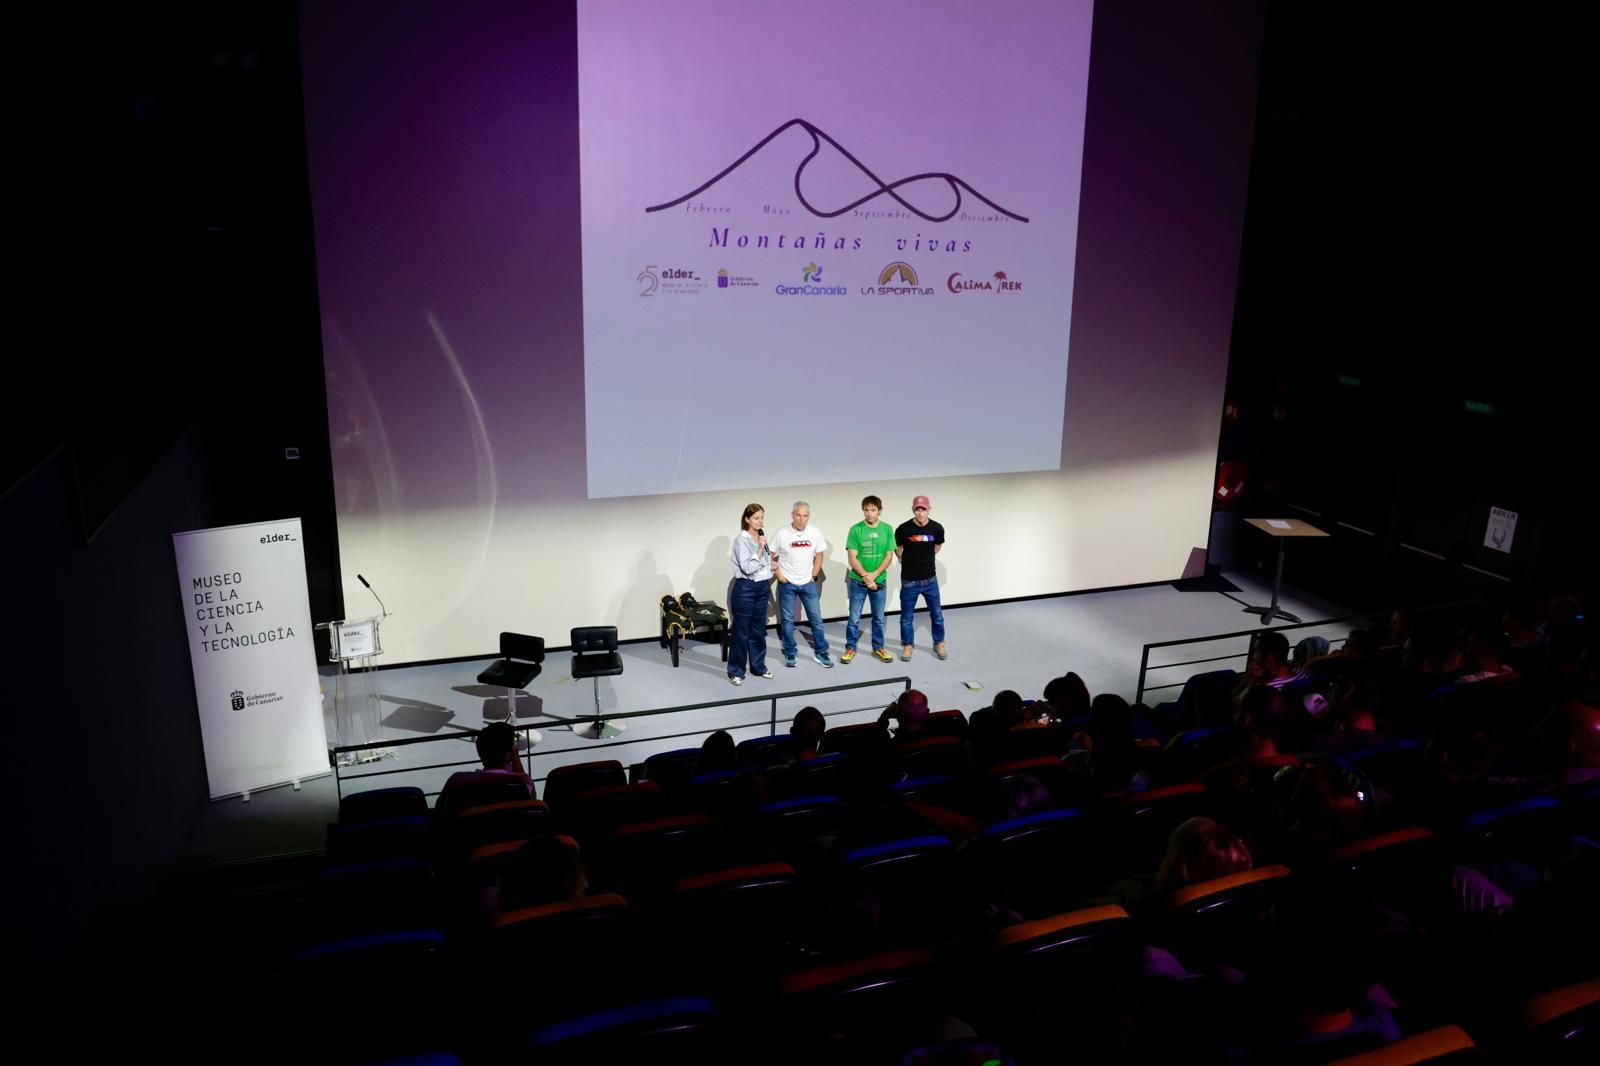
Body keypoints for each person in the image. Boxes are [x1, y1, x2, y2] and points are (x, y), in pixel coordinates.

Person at [772, 500, 833, 669]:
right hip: (787, 584)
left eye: (805, 515)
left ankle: (821, 652)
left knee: (816, 619)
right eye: (798, 515)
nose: (801, 519)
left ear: (808, 517)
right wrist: (779, 576)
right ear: (792, 515)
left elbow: (820, 555)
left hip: (808, 583)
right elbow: (768, 556)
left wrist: (814, 575)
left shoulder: (815, 532)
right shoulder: (782, 533)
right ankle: (790, 651)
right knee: (787, 619)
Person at [438, 721, 536, 816]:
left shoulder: (456, 780)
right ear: (511, 752)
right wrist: (515, 758)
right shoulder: (523, 782)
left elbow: (439, 809)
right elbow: (530, 806)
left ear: (480, 752)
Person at [842, 495, 895, 664]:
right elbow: (852, 557)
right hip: (858, 581)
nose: (870, 513)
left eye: (873, 510)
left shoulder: (887, 529)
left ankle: (878, 647)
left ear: (879, 510)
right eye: (866, 510)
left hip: (879, 581)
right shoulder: (856, 529)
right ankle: (850, 647)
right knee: (854, 617)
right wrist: (866, 576)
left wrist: (874, 575)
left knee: (878, 617)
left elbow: (889, 556)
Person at [727, 503, 776, 686]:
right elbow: (747, 568)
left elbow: (763, 563)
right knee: (741, 632)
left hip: (762, 588)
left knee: (758, 631)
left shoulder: (761, 536)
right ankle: (736, 671)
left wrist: (771, 565)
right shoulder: (742, 540)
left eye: (762, 517)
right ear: (747, 519)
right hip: (746, 589)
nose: (760, 521)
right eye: (756, 518)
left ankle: (758, 666)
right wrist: (758, 549)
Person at [895, 495, 946, 661]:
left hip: (930, 579)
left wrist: (925, 557)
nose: (921, 512)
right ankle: (908, 645)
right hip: (910, 580)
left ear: (929, 509)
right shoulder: (903, 529)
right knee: (907, 617)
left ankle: (939, 643)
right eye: (918, 509)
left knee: (937, 614)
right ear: (913, 510)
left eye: (923, 509)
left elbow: (937, 546)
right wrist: (903, 558)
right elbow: (897, 547)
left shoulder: (937, 528)